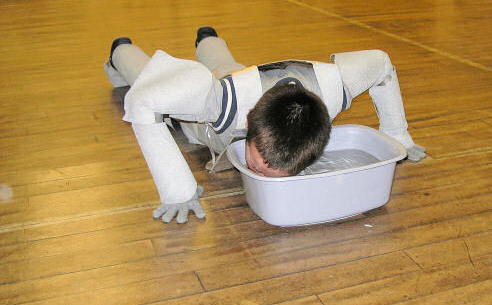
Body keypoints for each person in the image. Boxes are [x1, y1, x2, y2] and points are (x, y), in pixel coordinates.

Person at [104, 27, 426, 223]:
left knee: (227, 66)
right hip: (208, 114)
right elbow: (143, 101)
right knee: (150, 81)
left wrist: (397, 135)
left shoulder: (334, 88)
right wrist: (178, 190)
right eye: (258, 166)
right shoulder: (213, 103)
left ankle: (207, 38)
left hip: (244, 79)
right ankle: (121, 50)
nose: (259, 174)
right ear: (248, 123)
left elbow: (382, 65)